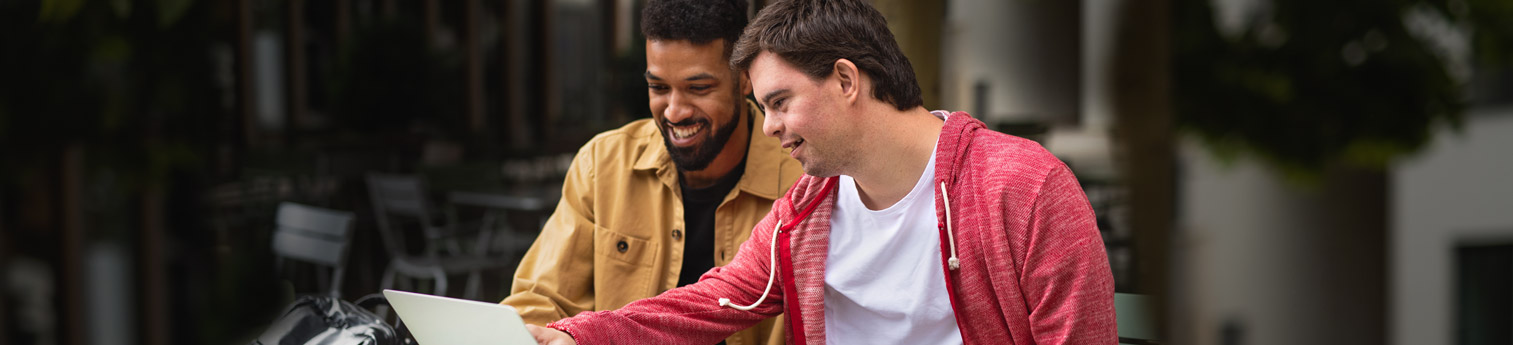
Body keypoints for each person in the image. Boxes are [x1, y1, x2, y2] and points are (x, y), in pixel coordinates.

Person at [525, 0, 1117, 344]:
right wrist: (578, 335)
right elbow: (715, 300)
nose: (769, 127)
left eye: (780, 102)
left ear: (845, 79)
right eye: (762, 108)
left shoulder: (1024, 187)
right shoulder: (807, 210)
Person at [499, 1, 801, 345]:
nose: (674, 111)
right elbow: (539, 299)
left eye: (698, 88)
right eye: (658, 87)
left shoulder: (803, 178)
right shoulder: (603, 164)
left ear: (747, 78)